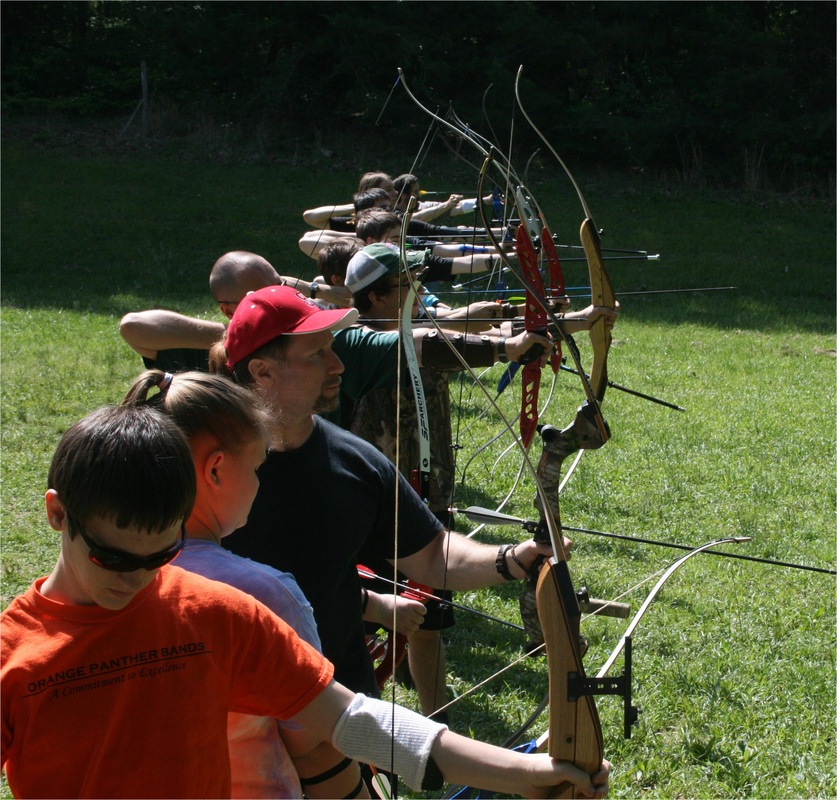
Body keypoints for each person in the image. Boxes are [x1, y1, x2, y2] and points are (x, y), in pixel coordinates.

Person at [0, 403, 611, 799]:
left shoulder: (218, 616)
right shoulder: (13, 656)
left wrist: (525, 773)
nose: (136, 580)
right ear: (58, 514)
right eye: (113, 558)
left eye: (160, 555)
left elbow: (353, 721)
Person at [211, 285, 564, 701]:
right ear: (262, 372)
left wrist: (513, 558)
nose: (338, 365)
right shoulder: (205, 464)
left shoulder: (355, 461)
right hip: (237, 701)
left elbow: (431, 554)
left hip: (342, 696)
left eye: (332, 349)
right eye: (317, 354)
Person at [121, 369, 364, 799]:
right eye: (256, 467)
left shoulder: (107, 578)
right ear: (215, 470)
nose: (258, 483)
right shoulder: (264, 594)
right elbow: (315, 749)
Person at [119, 250, 349, 371]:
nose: (276, 299)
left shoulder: (308, 326)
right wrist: (237, 336)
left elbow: (354, 301)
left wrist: (311, 289)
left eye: (279, 288)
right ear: (228, 311)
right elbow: (132, 326)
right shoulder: (209, 350)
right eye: (259, 298)